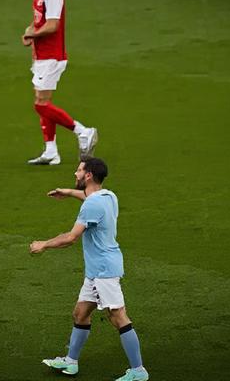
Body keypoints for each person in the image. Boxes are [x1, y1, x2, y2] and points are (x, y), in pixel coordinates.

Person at [29, 158, 149, 381]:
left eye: (79, 170)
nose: (75, 173)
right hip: (97, 271)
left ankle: (138, 371)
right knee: (80, 313)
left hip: (104, 271)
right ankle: (71, 361)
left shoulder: (91, 205)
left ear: (88, 176)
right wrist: (67, 192)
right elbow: (87, 196)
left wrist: (43, 244)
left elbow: (71, 238)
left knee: (118, 316)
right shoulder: (109, 196)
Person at [22, 0, 98, 165]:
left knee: (41, 105)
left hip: (52, 57)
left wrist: (33, 34)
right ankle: (51, 151)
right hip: (42, 56)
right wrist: (30, 33)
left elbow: (53, 25)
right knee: (42, 101)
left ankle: (83, 131)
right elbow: (39, 21)